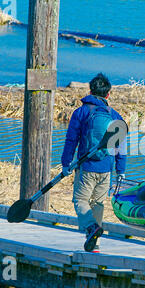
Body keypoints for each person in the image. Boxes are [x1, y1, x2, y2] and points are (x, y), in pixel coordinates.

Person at [61, 73, 127, 252]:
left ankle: (91, 227)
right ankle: (95, 244)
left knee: (80, 200)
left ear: (90, 91)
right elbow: (120, 146)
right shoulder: (114, 115)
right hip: (106, 168)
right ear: (108, 94)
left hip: (86, 167)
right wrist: (120, 170)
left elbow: (71, 140)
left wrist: (66, 163)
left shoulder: (81, 112)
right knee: (97, 203)